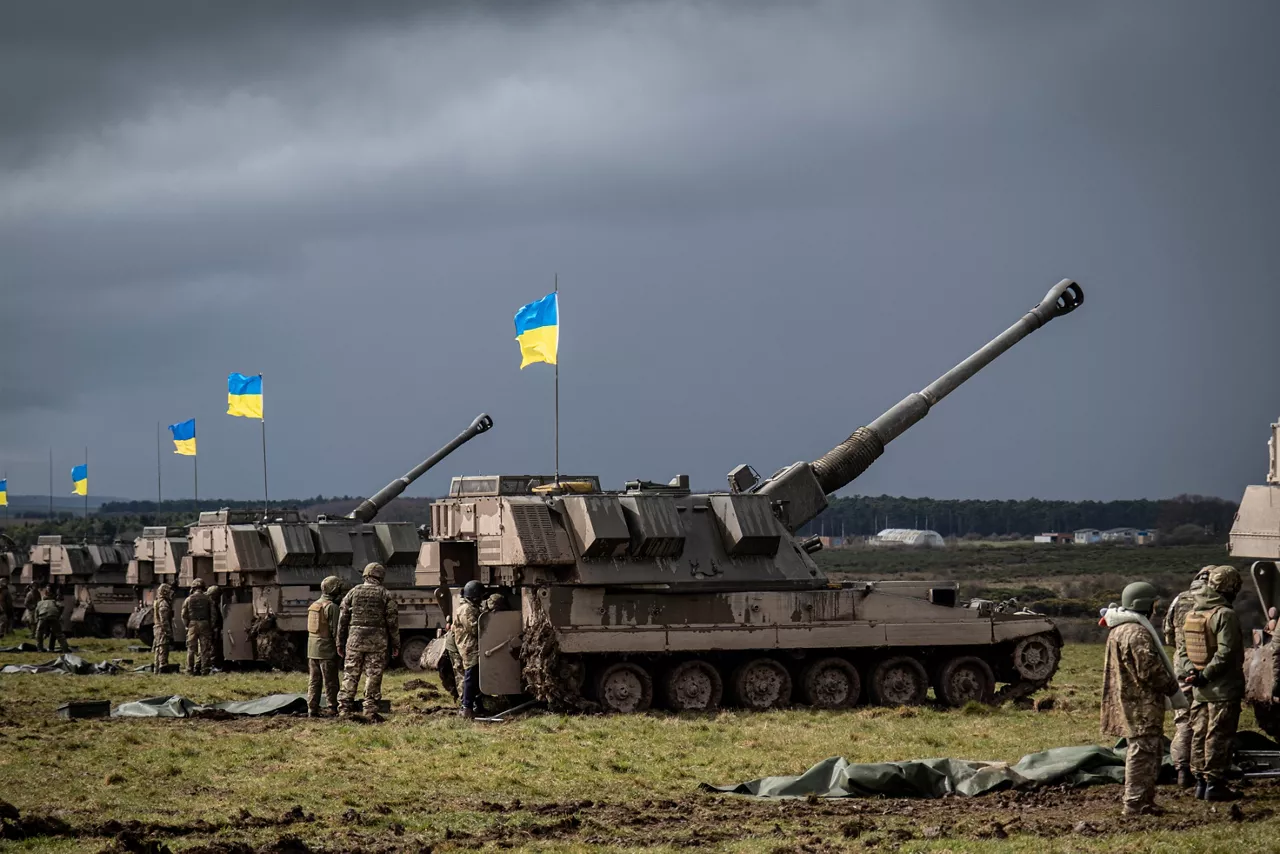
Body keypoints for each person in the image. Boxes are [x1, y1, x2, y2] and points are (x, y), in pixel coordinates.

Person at [1101, 581, 1180, 816]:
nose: (1155, 608)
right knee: (1143, 751)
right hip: (1142, 703)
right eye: (1153, 604)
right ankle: (1136, 802)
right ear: (1144, 605)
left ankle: (1144, 800)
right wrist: (1172, 686)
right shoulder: (1137, 633)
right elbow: (1150, 670)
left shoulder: (1118, 629)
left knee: (1144, 750)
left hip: (1129, 701)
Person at [1177, 564, 1246, 801]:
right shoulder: (1225, 615)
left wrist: (1193, 673)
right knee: (1219, 735)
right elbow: (1226, 652)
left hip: (1199, 688)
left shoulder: (1194, 612)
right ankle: (1215, 784)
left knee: (1199, 733)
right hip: (1222, 688)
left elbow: (1183, 650)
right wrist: (1206, 674)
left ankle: (1200, 782)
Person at [1164, 566, 1212, 788]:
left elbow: (1168, 635)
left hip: (1181, 667)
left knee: (1183, 719)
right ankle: (1204, 770)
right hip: (1207, 669)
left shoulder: (1179, 600)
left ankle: (1182, 770)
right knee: (1205, 721)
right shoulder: (1216, 603)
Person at [336, 562, 399, 719]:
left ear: (365, 575)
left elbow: (342, 619)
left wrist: (340, 642)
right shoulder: (385, 594)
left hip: (354, 640)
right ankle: (370, 709)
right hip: (377, 642)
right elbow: (392, 622)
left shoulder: (353, 592)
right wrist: (395, 644)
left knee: (350, 673)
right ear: (381, 577)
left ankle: (344, 708)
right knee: (373, 675)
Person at [307, 576, 342, 718]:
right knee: (331, 681)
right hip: (327, 650)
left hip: (312, 649)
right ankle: (333, 708)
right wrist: (341, 647)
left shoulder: (314, 605)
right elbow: (336, 631)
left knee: (314, 681)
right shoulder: (332, 607)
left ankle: (312, 709)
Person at [453, 581, 486, 719]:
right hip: (469, 647)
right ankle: (467, 707)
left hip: (472, 647)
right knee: (471, 677)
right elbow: (474, 629)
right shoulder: (467, 609)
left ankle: (477, 706)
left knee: (475, 677)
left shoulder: (470, 607)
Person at [181, 578, 214, 676]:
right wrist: (211, 625)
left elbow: (184, 614)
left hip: (192, 624)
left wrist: (187, 625)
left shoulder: (188, 599)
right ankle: (205, 670)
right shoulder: (208, 599)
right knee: (205, 648)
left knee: (191, 648)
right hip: (205, 624)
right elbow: (213, 614)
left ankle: (189, 670)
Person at [34, 587, 70, 653]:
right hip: (53, 616)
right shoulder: (53, 601)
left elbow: (36, 613)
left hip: (42, 617)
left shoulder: (40, 603)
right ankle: (65, 648)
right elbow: (61, 606)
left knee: (39, 633)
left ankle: (39, 649)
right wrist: (58, 615)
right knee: (59, 633)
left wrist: (36, 622)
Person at [153, 583, 174, 673]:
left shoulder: (158, 601)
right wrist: (169, 632)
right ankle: (163, 667)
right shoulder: (163, 603)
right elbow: (164, 620)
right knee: (163, 648)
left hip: (157, 628)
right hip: (162, 629)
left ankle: (156, 668)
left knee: (158, 648)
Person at [206, 584, 224, 669]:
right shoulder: (211, 603)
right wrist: (213, 628)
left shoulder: (209, 602)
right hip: (213, 628)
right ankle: (213, 664)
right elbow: (214, 617)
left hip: (212, 628)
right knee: (214, 646)